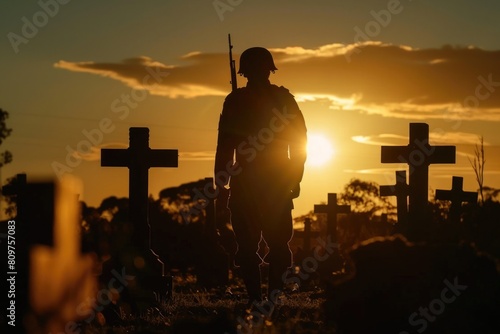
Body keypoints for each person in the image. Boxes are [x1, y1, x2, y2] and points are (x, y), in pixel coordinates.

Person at [214, 47, 307, 306]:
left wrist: (221, 184)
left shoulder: (237, 100)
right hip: (266, 182)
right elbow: (225, 146)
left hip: (256, 182)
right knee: (263, 245)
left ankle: (261, 298)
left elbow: (224, 147)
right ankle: (266, 298)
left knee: (265, 245)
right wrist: (294, 178)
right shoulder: (277, 99)